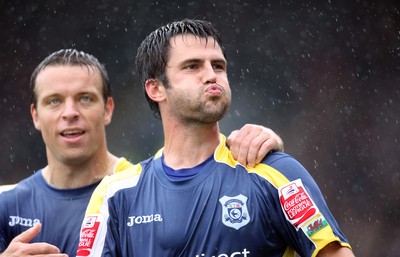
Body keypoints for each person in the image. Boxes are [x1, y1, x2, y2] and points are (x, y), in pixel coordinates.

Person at [76, 19, 355, 257]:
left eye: (218, 66)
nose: (211, 75)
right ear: (156, 88)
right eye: (193, 66)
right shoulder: (114, 195)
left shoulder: (275, 172)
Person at [0, 48, 283, 257]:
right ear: (35, 116)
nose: (70, 113)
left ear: (108, 109)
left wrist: (266, 146)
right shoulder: (5, 204)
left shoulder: (137, 193)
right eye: (54, 101)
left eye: (85, 98)